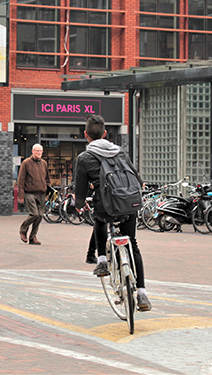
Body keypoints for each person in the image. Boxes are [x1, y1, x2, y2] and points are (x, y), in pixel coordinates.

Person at [74, 115, 151, 312]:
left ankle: (101, 261)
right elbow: (135, 175)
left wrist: (79, 204)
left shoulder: (84, 158)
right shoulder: (120, 152)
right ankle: (142, 292)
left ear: (86, 135)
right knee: (132, 243)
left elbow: (81, 189)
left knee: (99, 219)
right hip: (128, 203)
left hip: (106, 206)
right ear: (106, 133)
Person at [17, 143, 50, 245]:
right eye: (37, 151)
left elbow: (47, 179)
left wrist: (48, 192)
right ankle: (23, 229)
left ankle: (33, 236)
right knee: (34, 214)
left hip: (41, 193)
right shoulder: (26, 163)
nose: (39, 153)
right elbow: (21, 180)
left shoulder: (44, 163)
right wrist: (21, 195)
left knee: (40, 215)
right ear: (32, 151)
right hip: (30, 192)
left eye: (40, 151)